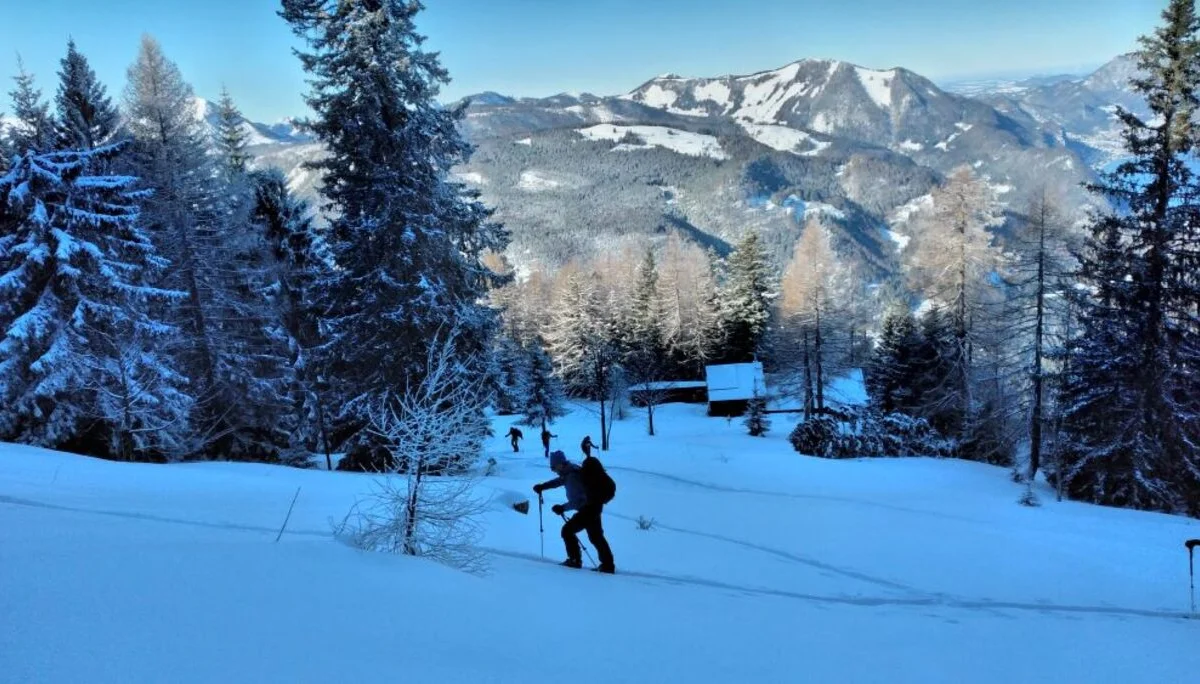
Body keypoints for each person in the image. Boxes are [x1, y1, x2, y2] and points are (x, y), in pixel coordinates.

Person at [533, 450, 615, 573]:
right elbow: (559, 481)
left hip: (588, 509)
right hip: (594, 507)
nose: (553, 470)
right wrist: (543, 486)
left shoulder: (572, 476)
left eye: (553, 467)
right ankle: (608, 565)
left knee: (567, 531)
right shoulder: (571, 471)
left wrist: (562, 508)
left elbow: (579, 501)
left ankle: (575, 560)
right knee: (596, 536)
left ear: (560, 464)